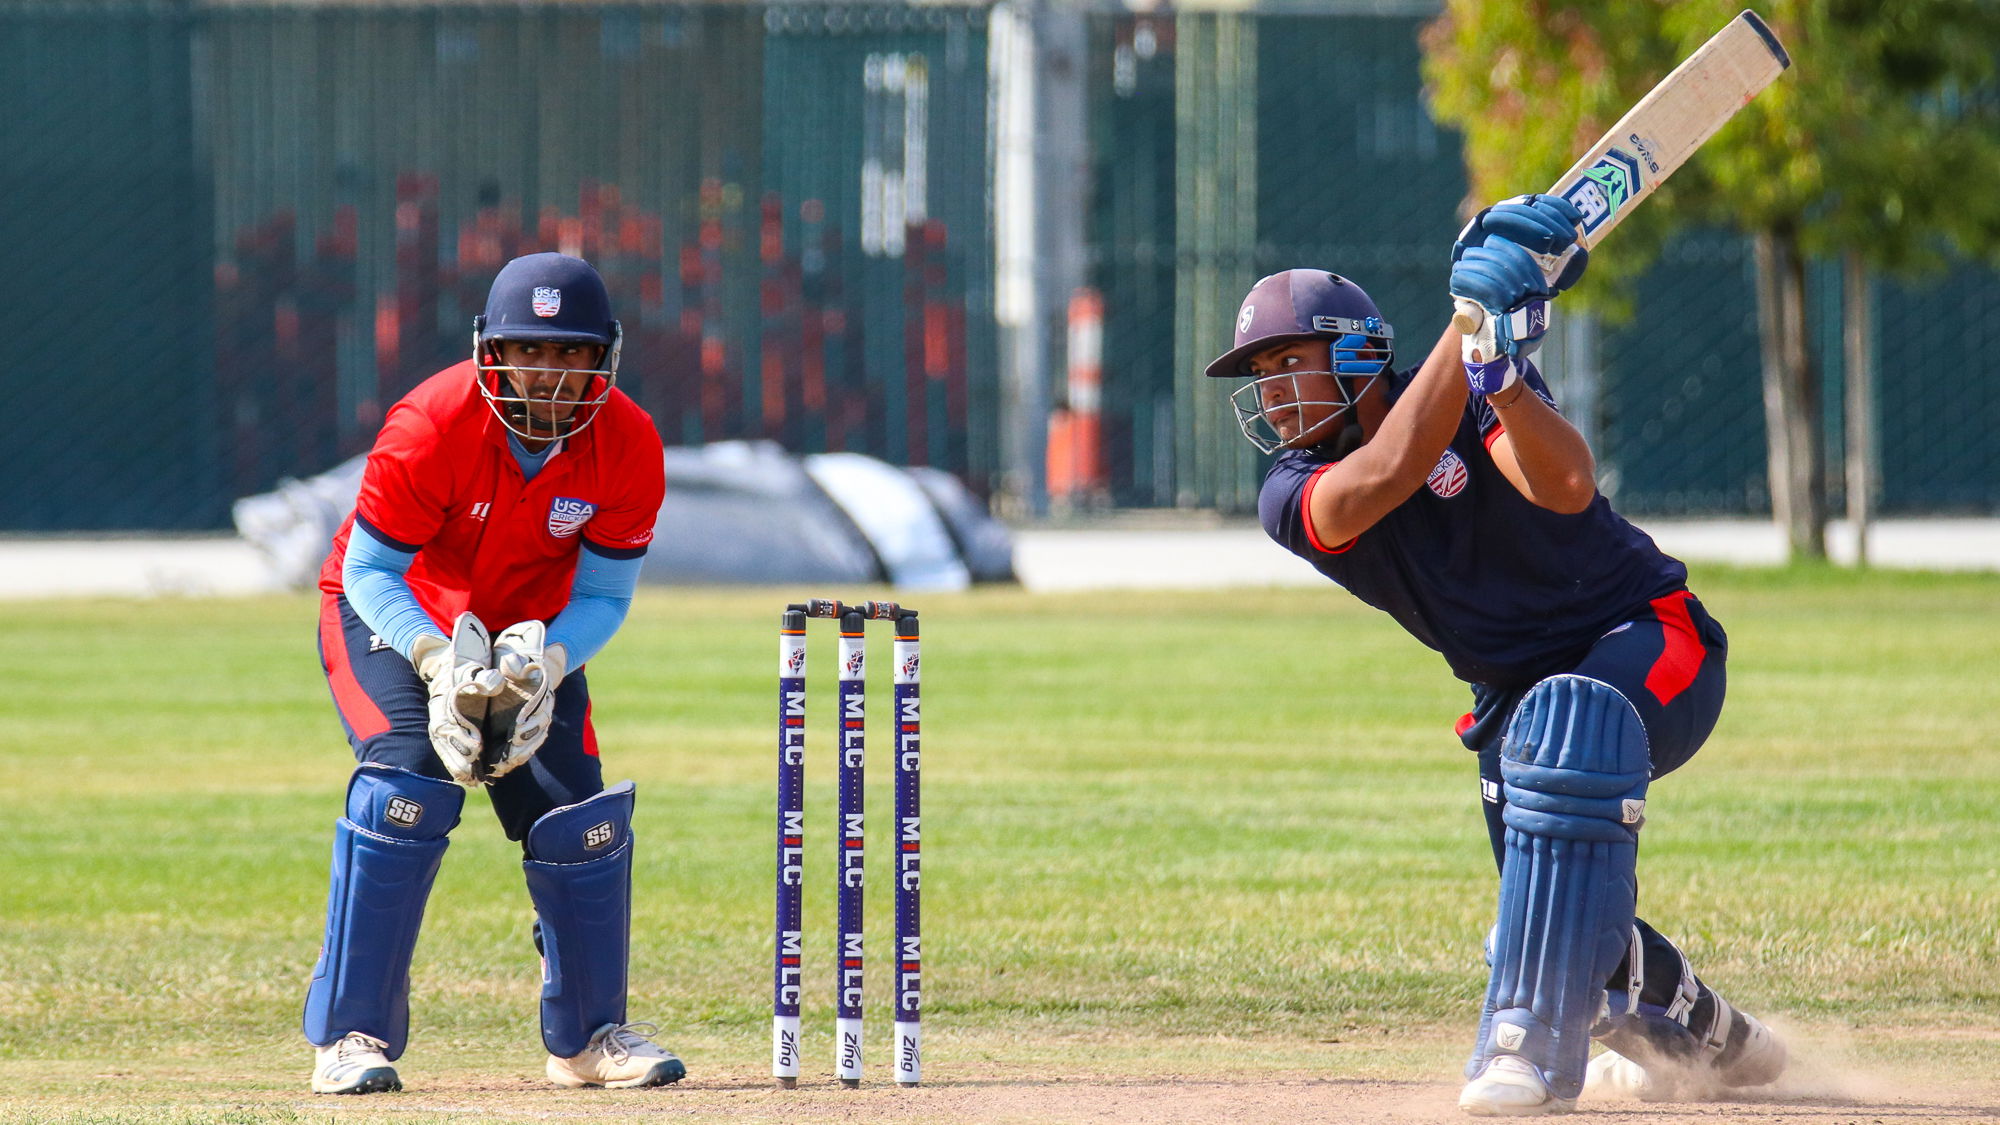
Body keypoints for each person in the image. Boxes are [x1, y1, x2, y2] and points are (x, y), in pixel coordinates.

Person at [1206, 196, 1787, 1116]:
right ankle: (1727, 1042)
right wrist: (1469, 321)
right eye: (1259, 373)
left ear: (1358, 351)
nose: (1272, 388)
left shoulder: (1481, 390)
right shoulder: (1291, 492)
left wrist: (1503, 377)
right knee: (1569, 940)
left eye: (1288, 361)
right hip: (1520, 706)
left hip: (1651, 638)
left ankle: (1519, 1049)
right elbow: (1389, 471)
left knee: (1572, 732)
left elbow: (1564, 487)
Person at [304, 252, 679, 1094]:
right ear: (492, 350)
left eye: (571, 353)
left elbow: (608, 593)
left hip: (528, 633)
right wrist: (439, 663)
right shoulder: (431, 423)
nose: (548, 374)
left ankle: (588, 1038)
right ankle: (350, 1036)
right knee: (407, 784)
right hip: (396, 620)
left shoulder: (628, 442)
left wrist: (543, 663)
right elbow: (370, 574)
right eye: (529, 351)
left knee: (579, 812)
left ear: (603, 357)